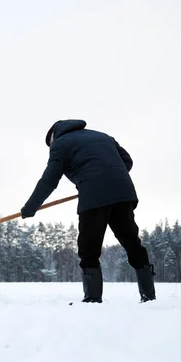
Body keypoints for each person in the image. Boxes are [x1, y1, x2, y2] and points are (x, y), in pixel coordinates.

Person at [20, 119, 156, 303]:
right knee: (132, 242)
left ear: (53, 136)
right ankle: (149, 297)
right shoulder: (103, 136)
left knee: (89, 248)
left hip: (94, 197)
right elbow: (127, 162)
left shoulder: (59, 144)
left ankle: (93, 300)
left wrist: (31, 207)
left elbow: (49, 180)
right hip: (123, 192)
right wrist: (105, 178)